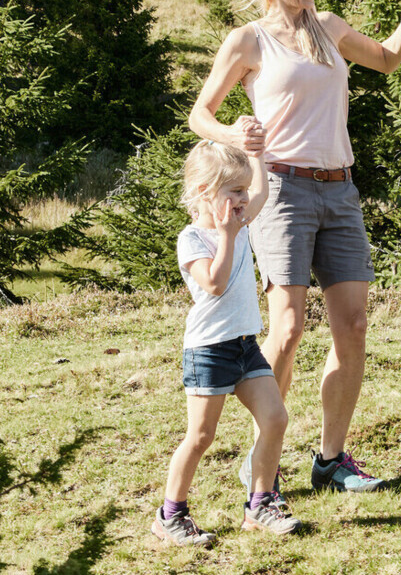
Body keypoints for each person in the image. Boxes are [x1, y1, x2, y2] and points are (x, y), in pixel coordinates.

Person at [190, 0, 401, 493]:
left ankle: (331, 460)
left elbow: (390, 61)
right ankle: (263, 464)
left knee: (353, 325)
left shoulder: (329, 28)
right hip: (281, 190)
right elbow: (201, 113)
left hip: (340, 189)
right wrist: (233, 131)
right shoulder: (248, 40)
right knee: (290, 327)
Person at [152, 140, 299, 548]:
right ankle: (170, 515)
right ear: (203, 192)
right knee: (200, 436)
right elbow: (214, 284)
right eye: (234, 191)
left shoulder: (239, 218)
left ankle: (260, 503)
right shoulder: (193, 240)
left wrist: (256, 149)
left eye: (243, 190)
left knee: (275, 419)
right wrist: (229, 234)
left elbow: (264, 189)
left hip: (244, 345)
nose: (243, 199)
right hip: (208, 351)